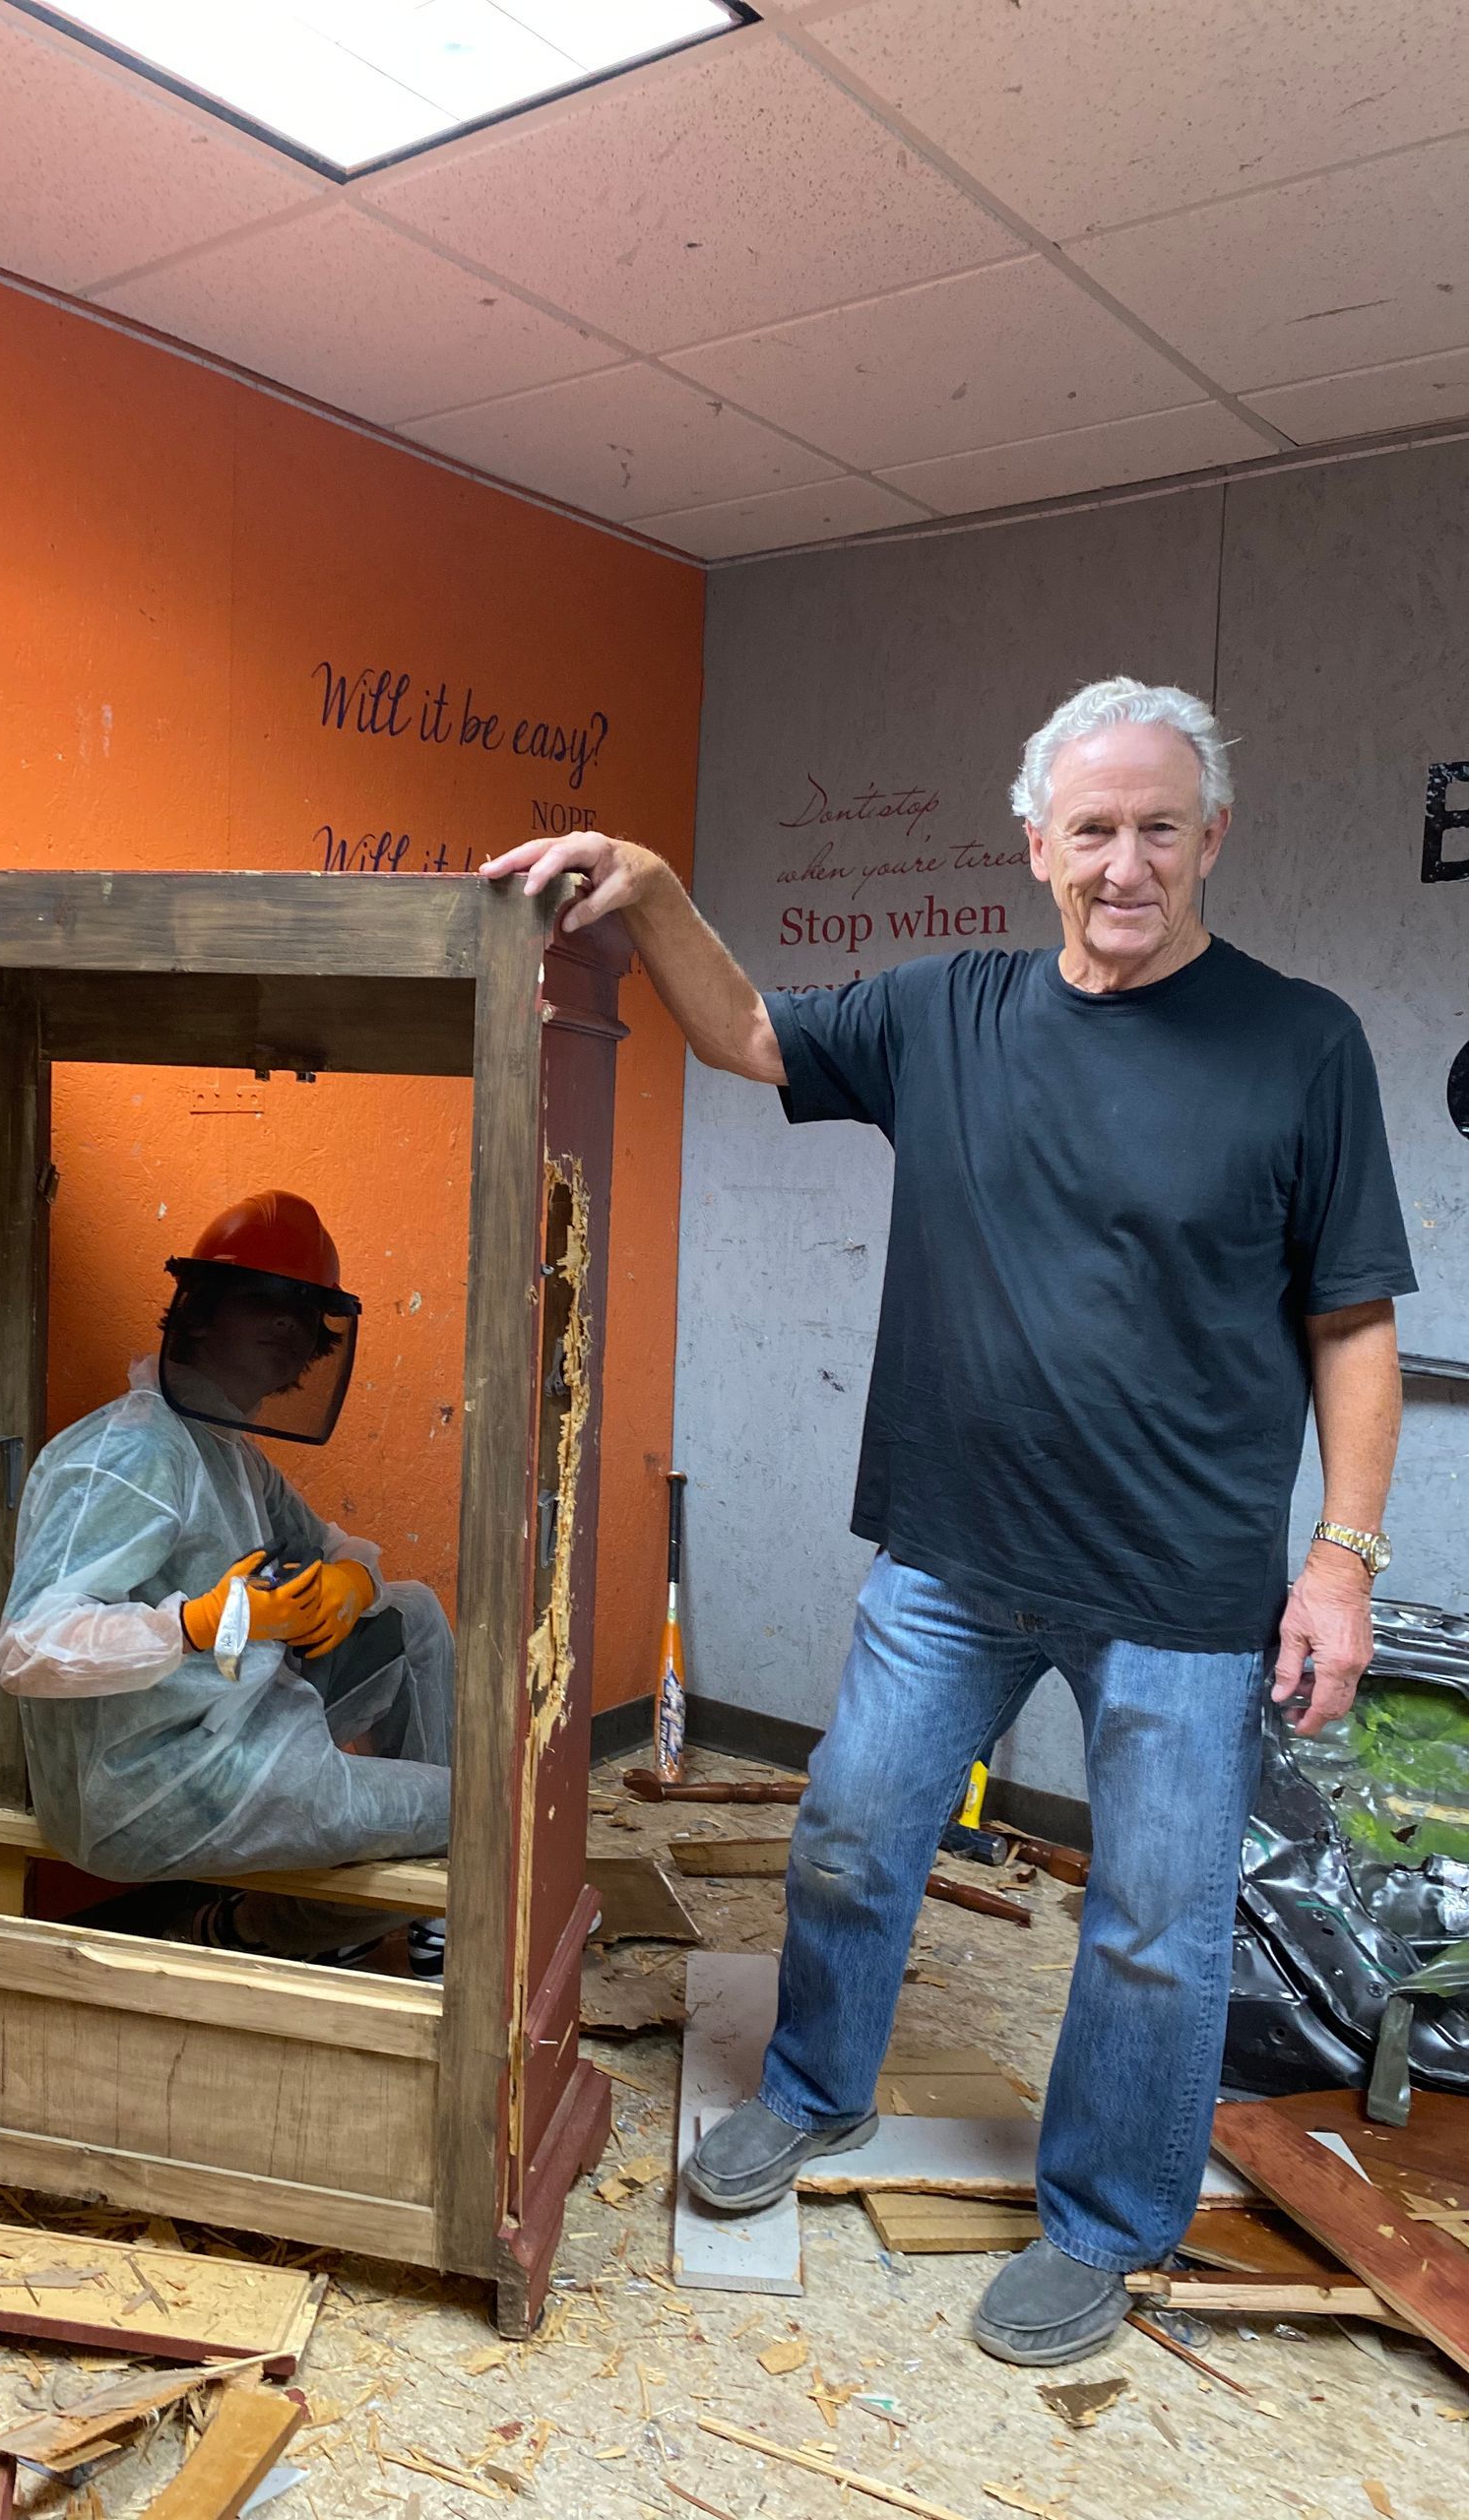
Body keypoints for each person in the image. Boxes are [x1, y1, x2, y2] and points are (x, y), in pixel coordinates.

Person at [483, 677, 1414, 2363]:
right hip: (952, 1553)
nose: (1124, 865)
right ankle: (820, 2090)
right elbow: (750, 1037)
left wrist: (1340, 1560)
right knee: (850, 1828)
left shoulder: (1302, 1046)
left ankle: (1105, 2223)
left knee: (1148, 1928)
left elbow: (1352, 1322)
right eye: (1092, 830)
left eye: (1157, 830)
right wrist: (660, 887)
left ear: (1212, 840)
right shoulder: (950, 1012)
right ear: (1035, 844)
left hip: (1186, 1589)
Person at [0, 1189, 453, 1975]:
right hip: (149, 1788)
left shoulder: (227, 1454)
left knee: (410, 1610)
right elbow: (31, 1646)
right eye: (261, 1301)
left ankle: (275, 1923)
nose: (288, 1326)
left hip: (231, 1727)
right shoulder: (130, 1454)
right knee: (470, 1811)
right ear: (198, 1312)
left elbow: (342, 1549)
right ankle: (391, 1923)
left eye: (305, 1312)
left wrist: (346, 1578)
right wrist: (195, 1625)